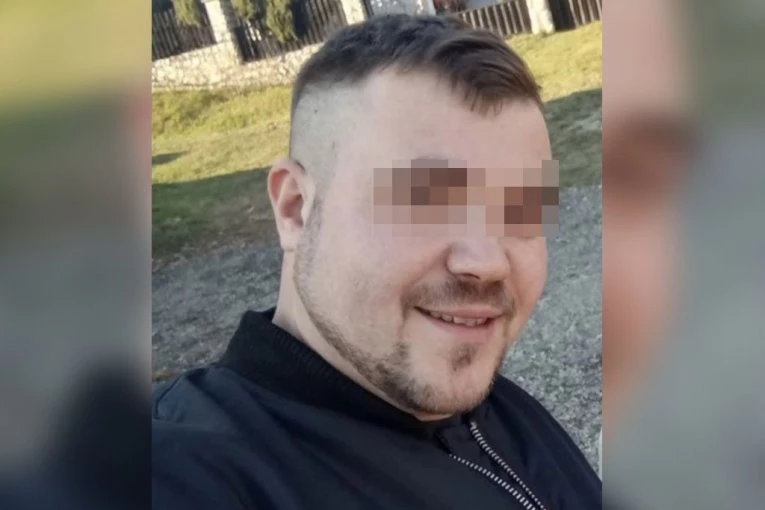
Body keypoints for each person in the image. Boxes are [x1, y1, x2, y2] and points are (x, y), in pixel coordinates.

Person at [152, 14, 601, 510]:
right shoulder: (185, 470)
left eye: (522, 207)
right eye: (426, 201)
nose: (488, 261)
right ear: (295, 209)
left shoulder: (498, 411)